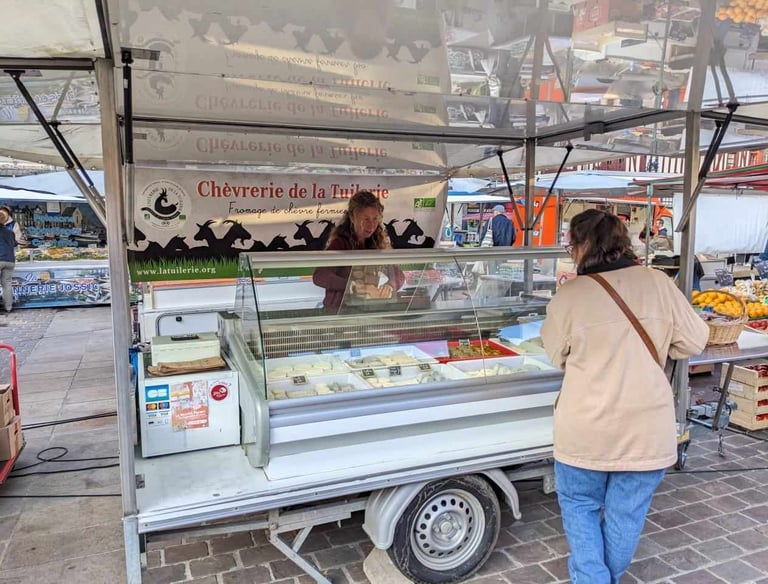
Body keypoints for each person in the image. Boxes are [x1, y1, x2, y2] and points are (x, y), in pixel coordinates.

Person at [541, 209, 709, 584]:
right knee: (625, 515)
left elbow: (555, 354)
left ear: (583, 245)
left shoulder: (571, 295)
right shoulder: (658, 283)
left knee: (579, 505)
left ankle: (592, 578)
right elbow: (695, 340)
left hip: (585, 428)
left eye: (571, 245)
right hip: (646, 428)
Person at [313, 191, 404, 312]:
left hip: (366, 310)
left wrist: (390, 286)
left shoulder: (378, 244)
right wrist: (352, 286)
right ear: (352, 218)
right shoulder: (340, 244)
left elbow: (399, 275)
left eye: (375, 219)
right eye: (366, 219)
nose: (371, 225)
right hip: (338, 311)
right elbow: (320, 276)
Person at [0, 209, 17, 315]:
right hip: (10, 260)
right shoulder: (10, 232)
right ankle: (8, 307)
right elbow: (14, 244)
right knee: (7, 284)